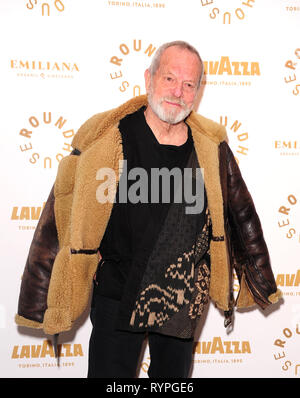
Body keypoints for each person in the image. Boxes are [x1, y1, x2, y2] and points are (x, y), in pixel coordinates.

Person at [15, 41, 282, 378]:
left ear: (198, 91)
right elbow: (60, 214)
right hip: (117, 291)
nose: (178, 92)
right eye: (170, 78)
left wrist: (259, 276)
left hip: (182, 297)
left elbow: (242, 215)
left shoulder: (211, 147)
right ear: (149, 77)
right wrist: (39, 298)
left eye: (189, 84)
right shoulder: (108, 137)